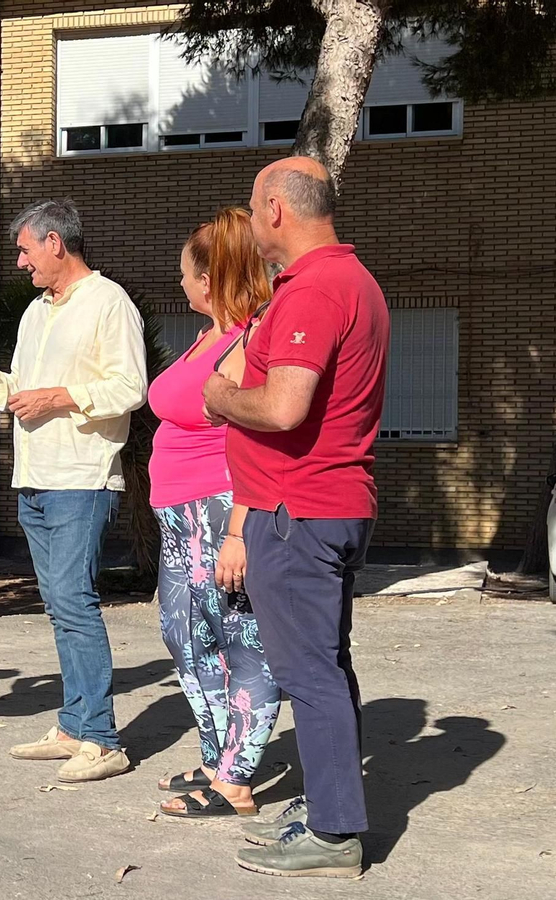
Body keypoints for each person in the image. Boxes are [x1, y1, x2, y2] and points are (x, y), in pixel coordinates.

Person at [203, 157, 389, 878]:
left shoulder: (316, 289)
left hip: (296, 511)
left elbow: (283, 408)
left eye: (252, 210)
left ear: (277, 209)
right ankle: (327, 810)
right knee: (327, 668)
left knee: (308, 673)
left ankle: (336, 833)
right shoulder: (356, 282)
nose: (250, 225)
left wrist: (220, 397)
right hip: (327, 505)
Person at [0, 200, 149, 783]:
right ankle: (73, 725)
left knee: (76, 604)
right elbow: (24, 393)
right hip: (34, 477)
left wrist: (60, 397)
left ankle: (104, 738)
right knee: (60, 607)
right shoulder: (37, 311)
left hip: (80, 479)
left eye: (25, 249)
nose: (20, 261)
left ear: (56, 242)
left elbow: (131, 386)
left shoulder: (109, 302)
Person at [148, 208, 280, 819]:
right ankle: (215, 753)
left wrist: (237, 532)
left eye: (184, 274)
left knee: (240, 642)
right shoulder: (208, 336)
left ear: (210, 278)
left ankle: (237, 779)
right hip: (178, 515)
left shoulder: (250, 338)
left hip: (219, 510)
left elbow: (259, 439)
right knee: (183, 634)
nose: (180, 284)